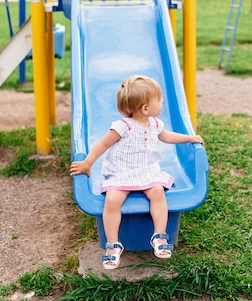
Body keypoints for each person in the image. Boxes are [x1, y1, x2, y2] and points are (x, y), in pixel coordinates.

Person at [69, 74, 204, 270]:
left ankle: (159, 235)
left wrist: (189, 138)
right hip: (122, 171)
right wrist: (87, 163)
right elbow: (103, 144)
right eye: (159, 99)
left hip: (147, 171)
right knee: (113, 199)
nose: (162, 102)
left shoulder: (156, 124)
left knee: (157, 192)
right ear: (145, 108)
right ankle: (113, 244)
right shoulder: (123, 126)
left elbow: (167, 137)